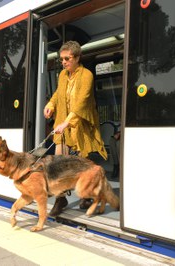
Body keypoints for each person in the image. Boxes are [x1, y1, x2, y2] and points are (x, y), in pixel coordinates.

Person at [43, 41, 108, 216]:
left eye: (67, 59)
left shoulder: (87, 75)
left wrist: (66, 122)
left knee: (82, 165)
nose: (63, 62)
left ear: (77, 58)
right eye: (61, 59)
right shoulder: (62, 75)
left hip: (81, 126)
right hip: (64, 127)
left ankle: (86, 196)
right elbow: (58, 93)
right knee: (59, 165)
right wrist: (50, 104)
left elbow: (82, 101)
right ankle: (60, 198)